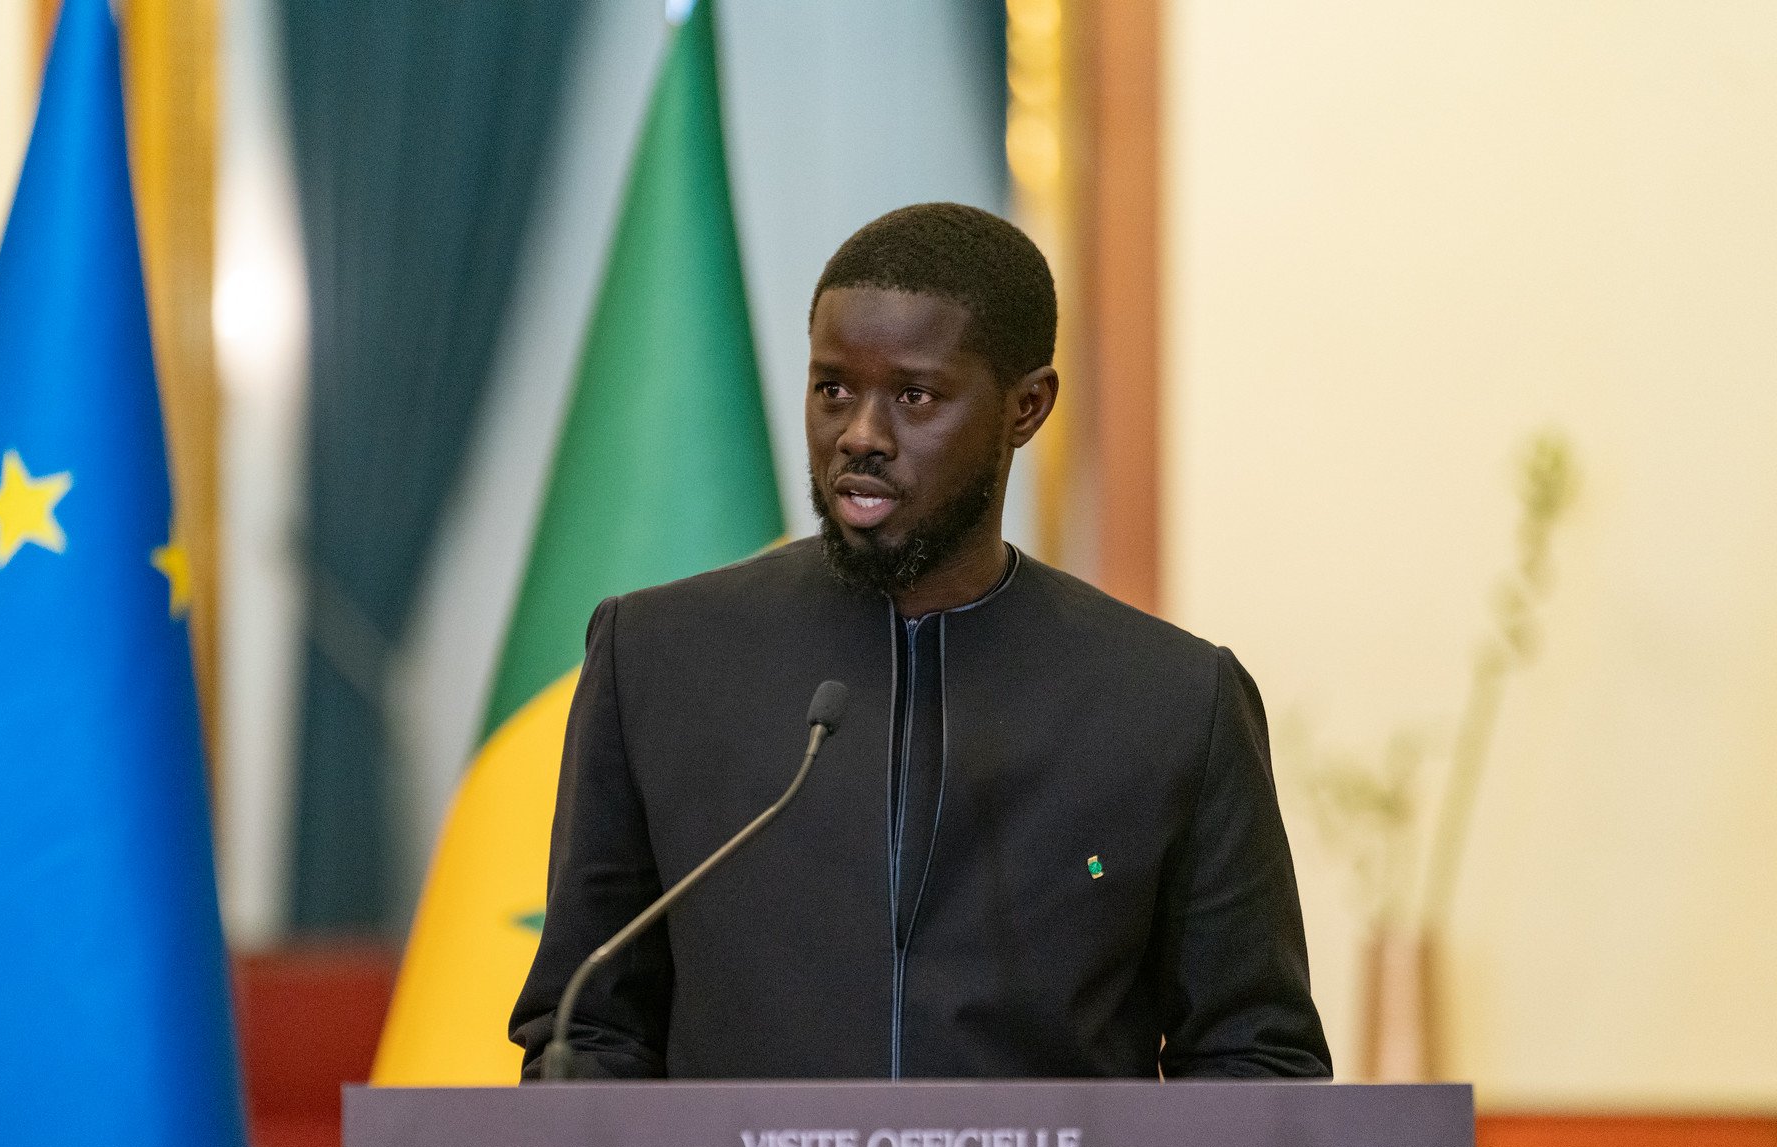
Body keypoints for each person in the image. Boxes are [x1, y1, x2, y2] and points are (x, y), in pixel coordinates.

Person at [511, 202, 1330, 1080]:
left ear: (1026, 406)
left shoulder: (1171, 700)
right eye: (833, 388)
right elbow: (586, 1032)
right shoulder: (658, 659)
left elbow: (1255, 1058)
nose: (860, 435)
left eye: (914, 395)